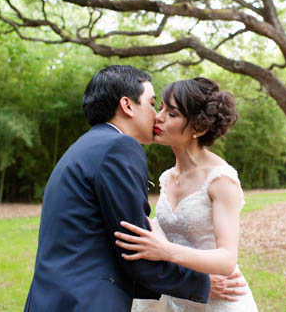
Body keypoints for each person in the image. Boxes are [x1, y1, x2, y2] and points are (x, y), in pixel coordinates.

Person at [24, 66, 213, 312]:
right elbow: (135, 247)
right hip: (86, 302)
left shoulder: (84, 147)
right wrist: (202, 284)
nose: (156, 116)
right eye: (152, 104)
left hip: (52, 297)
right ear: (127, 105)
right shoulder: (119, 147)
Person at [117, 77, 259, 312]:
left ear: (199, 128)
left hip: (220, 298)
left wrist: (165, 251)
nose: (158, 117)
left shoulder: (221, 180)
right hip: (179, 297)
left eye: (172, 114)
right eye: (160, 107)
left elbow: (226, 259)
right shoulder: (167, 178)